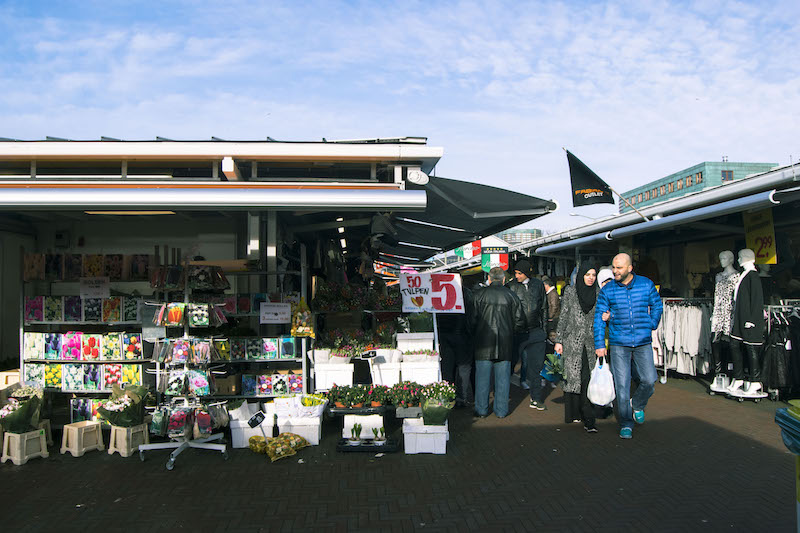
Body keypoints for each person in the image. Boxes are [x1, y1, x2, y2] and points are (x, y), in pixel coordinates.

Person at [594, 253, 663, 440]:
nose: (615, 271)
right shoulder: (608, 290)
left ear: (630, 268)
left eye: (619, 268)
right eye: (613, 267)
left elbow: (657, 305)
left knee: (649, 379)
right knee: (622, 385)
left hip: (642, 342)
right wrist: (600, 343)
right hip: (619, 344)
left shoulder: (646, 284)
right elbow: (599, 318)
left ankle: (638, 404)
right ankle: (626, 423)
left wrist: (652, 323)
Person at [469, 267, 525, 418]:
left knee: (482, 380)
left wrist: (476, 334)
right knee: (503, 380)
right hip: (504, 343)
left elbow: (471, 321)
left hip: (483, 343)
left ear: (489, 278)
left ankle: (481, 410)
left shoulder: (478, 295)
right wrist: (510, 331)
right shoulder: (511, 296)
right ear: (504, 279)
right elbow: (520, 322)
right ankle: (501, 411)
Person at [555, 264, 600, 433]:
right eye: (587, 274)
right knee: (573, 378)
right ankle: (574, 413)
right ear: (580, 275)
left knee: (588, 379)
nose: (590, 277)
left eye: (593, 274)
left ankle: (589, 418)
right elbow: (564, 315)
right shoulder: (571, 292)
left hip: (591, 345)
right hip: (572, 342)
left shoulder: (598, 294)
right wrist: (559, 340)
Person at [507, 259, 549, 410]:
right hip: (517, 333)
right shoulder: (510, 286)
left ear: (526, 273)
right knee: (510, 365)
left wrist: (544, 330)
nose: (517, 276)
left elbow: (544, 307)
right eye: (516, 273)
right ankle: (504, 397)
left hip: (536, 332)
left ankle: (536, 398)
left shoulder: (538, 285)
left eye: (519, 273)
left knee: (536, 367)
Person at [436, 286, 474, 408]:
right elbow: (472, 315)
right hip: (463, 335)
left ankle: (448, 396)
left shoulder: (439, 291)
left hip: (445, 333)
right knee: (463, 367)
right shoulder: (467, 293)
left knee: (447, 367)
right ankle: (461, 397)